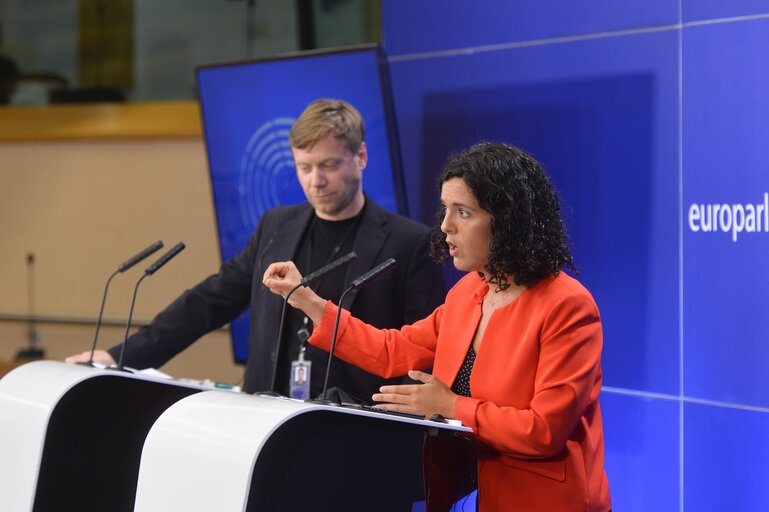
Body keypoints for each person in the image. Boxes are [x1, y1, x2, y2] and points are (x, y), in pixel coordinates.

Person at [264, 142, 612, 511]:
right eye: (446, 209)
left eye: (463, 212)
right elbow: (391, 351)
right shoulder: (468, 292)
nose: (446, 226)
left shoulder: (568, 307)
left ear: (508, 221)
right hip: (472, 493)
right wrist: (307, 300)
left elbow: (544, 431)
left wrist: (449, 405)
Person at [66, 99, 445, 400]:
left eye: (329, 165)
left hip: (356, 429)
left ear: (360, 156)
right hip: (265, 419)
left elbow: (421, 351)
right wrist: (119, 357)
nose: (316, 181)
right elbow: (208, 302)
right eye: (304, 166)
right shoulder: (276, 226)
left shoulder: (407, 242)